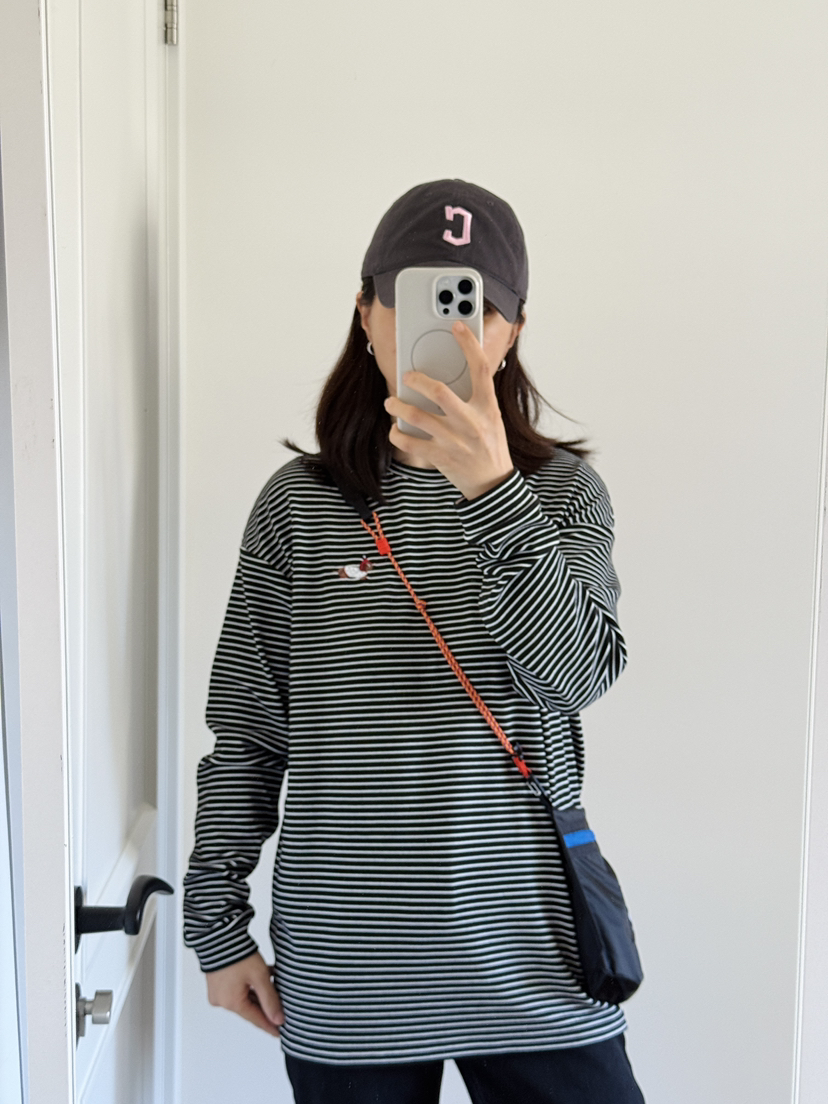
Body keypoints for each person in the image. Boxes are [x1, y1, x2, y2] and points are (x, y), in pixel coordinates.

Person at [183, 179, 646, 1104]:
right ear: (366, 314)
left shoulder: (560, 495)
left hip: (534, 958)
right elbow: (247, 732)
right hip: (348, 966)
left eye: (476, 308)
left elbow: (578, 676)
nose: (448, 330)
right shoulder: (300, 505)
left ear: (511, 333)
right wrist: (217, 926)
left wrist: (494, 492)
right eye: (418, 298)